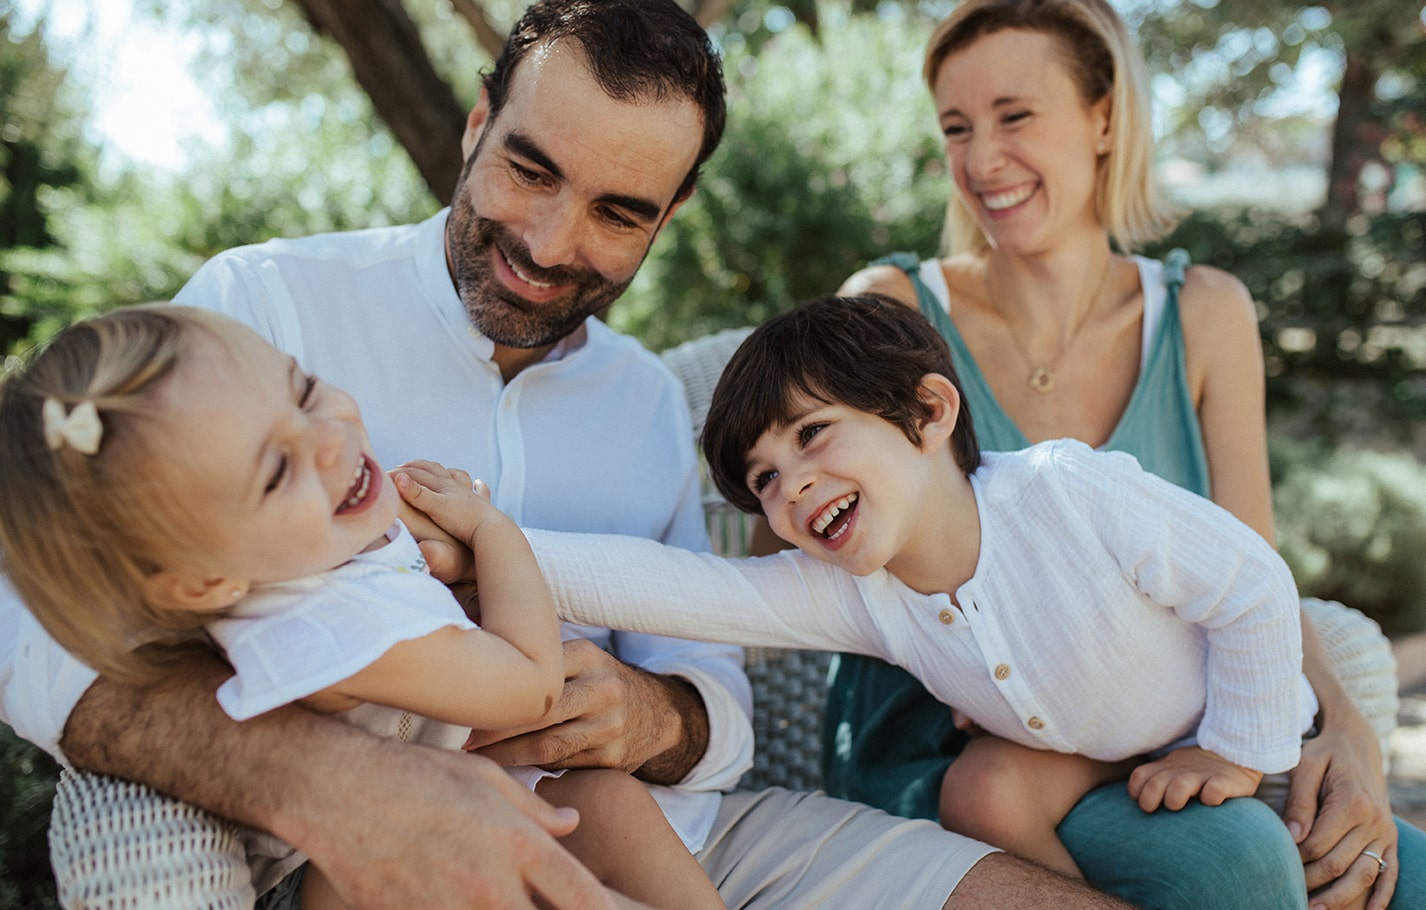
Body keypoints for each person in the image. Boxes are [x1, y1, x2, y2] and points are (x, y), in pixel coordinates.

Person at [0, 1, 1135, 907]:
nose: (549, 245)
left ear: (668, 216)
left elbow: (721, 703)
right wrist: (326, 779)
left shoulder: (647, 405)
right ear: (476, 122)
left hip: (686, 839)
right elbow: (26, 614)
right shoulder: (265, 309)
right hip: (395, 858)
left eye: (618, 212)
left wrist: (656, 715)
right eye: (530, 170)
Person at [828, 1, 1425, 909]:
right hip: (965, 760)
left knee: (1394, 874)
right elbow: (808, 539)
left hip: (1160, 733)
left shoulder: (1205, 314)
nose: (981, 159)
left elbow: (1254, 564)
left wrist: (1349, 731)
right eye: (957, 128)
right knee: (1239, 861)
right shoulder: (891, 311)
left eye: (1015, 116)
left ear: (1104, 118)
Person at [473, 292, 1329, 881]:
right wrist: (486, 541)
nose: (792, 486)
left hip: (1230, 724)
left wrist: (1235, 751)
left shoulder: (1066, 493)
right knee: (980, 794)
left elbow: (1252, 583)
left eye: (813, 434)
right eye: (764, 479)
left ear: (928, 413)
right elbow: (675, 587)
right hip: (1088, 755)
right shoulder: (855, 591)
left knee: (1346, 872)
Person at [0, 304, 725, 910]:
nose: (329, 437)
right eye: (276, 470)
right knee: (593, 815)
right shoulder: (333, 628)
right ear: (201, 583)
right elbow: (529, 684)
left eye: (303, 389)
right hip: (337, 872)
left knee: (609, 806)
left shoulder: (296, 548)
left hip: (438, 798)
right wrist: (490, 530)